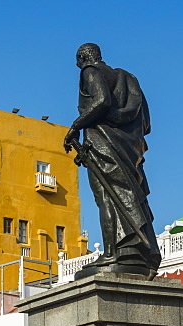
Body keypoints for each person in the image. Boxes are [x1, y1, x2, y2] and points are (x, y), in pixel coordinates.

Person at [64, 43, 162, 277]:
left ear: (82, 58)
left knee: (106, 197)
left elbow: (101, 101)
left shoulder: (90, 72)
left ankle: (111, 253)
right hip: (129, 146)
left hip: (103, 143)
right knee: (129, 195)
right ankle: (131, 251)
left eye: (78, 61)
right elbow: (145, 122)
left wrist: (76, 126)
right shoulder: (129, 78)